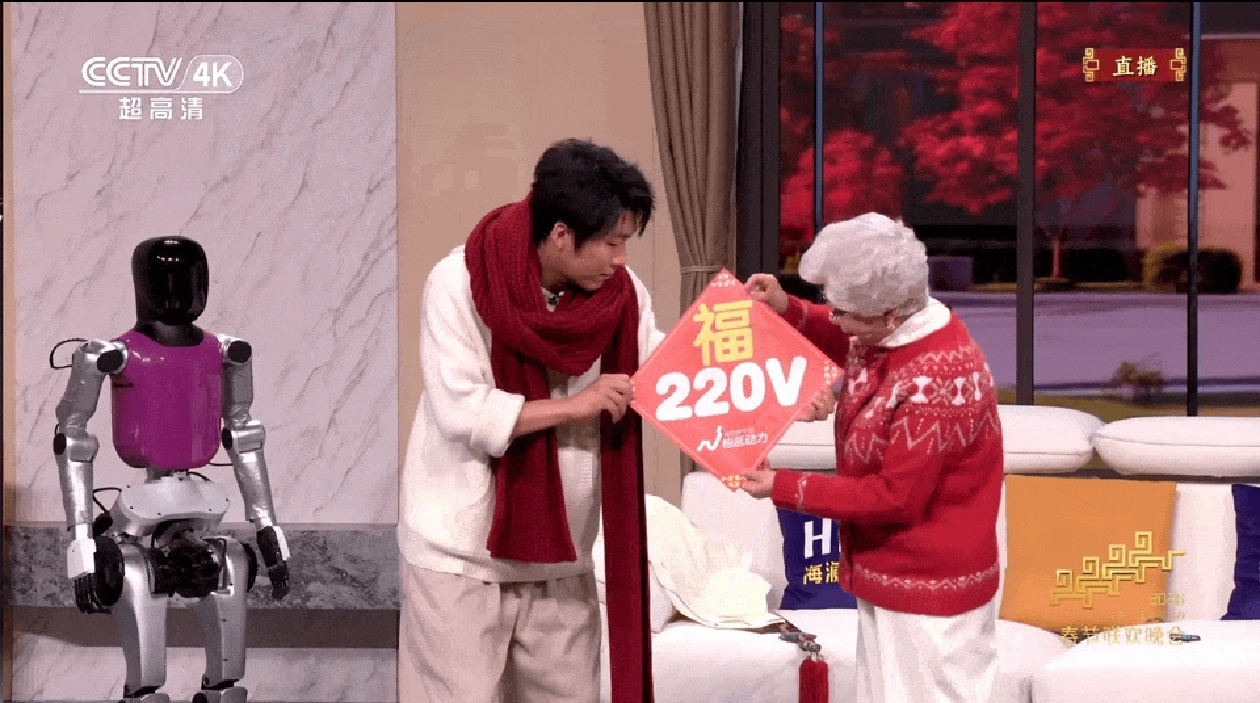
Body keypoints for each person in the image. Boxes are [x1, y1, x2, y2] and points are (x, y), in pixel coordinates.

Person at [398, 138, 666, 703]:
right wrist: (578, 405)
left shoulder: (622, 296)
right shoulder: (459, 282)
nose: (621, 259)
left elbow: (666, 375)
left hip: (563, 554)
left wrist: (780, 394)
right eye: (611, 242)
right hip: (460, 557)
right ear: (562, 233)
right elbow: (462, 409)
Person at [740, 213, 1004, 703]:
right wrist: (785, 307)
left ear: (890, 314)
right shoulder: (892, 331)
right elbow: (845, 337)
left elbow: (894, 497)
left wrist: (782, 485)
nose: (834, 318)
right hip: (891, 574)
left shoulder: (936, 378)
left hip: (931, 591)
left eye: (843, 311)